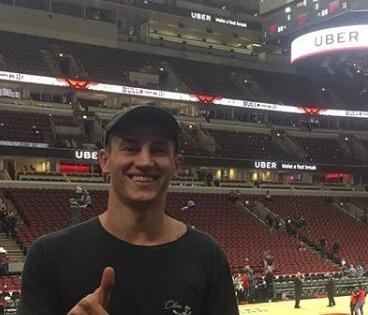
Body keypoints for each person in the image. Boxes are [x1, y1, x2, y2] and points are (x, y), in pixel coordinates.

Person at [17, 106, 239, 315]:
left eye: (158, 150)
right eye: (130, 148)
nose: (144, 161)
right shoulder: (49, 256)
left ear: (177, 165)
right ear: (105, 161)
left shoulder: (207, 256)